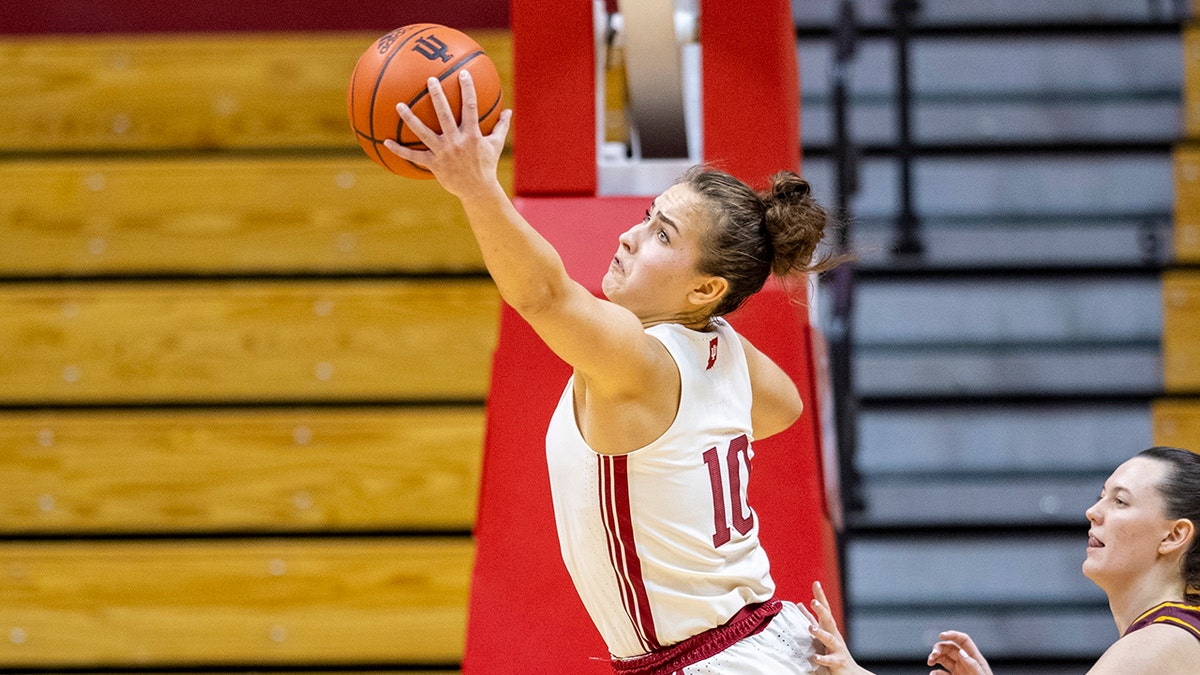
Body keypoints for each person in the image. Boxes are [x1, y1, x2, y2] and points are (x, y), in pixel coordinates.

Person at [384, 71, 837, 674]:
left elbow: (544, 295)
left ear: (706, 285)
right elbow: (786, 408)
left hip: (715, 661)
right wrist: (713, 319)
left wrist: (476, 188)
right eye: (649, 217)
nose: (629, 236)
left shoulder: (642, 361)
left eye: (661, 236)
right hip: (767, 640)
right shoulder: (721, 352)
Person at [802, 446, 1200, 675]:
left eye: (1120, 501)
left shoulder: (1159, 643)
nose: (1093, 512)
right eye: (1101, 496)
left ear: (1173, 535)